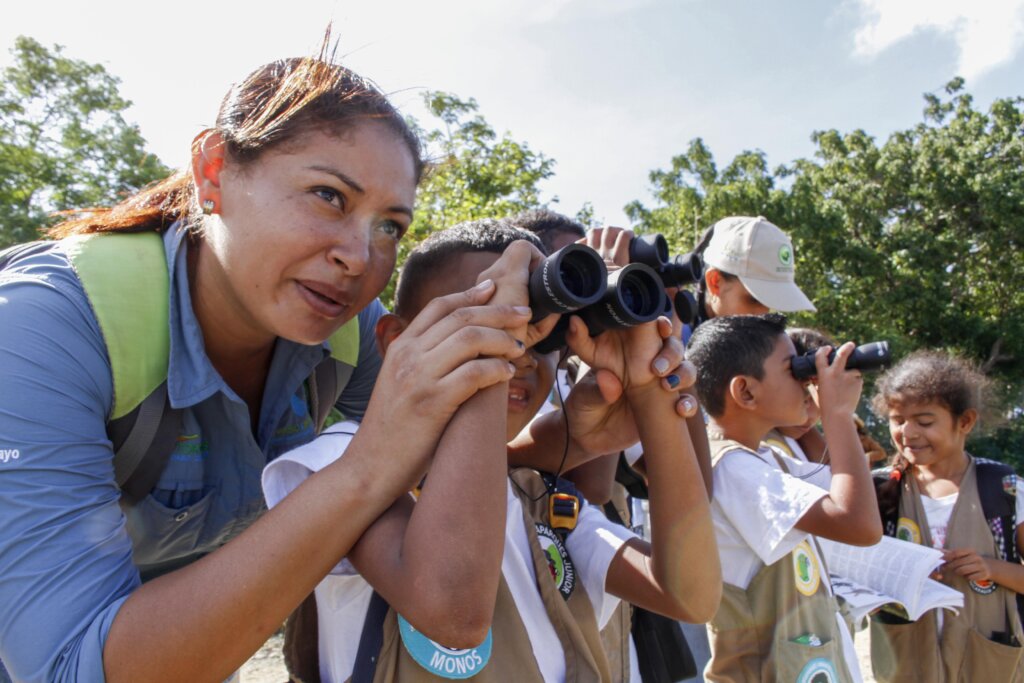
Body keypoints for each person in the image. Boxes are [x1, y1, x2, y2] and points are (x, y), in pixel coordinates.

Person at [0, 47, 562, 682]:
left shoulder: (350, 334)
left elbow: (450, 591)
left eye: (389, 227)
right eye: (328, 195)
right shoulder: (42, 326)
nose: (359, 256)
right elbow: (63, 667)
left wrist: (522, 356)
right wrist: (368, 465)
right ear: (213, 171)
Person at [262, 219, 721, 682]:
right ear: (396, 341)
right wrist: (491, 353)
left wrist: (651, 393)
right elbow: (454, 611)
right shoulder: (343, 464)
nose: (519, 351)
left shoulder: (535, 495)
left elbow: (689, 595)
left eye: (540, 330)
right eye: (480, 318)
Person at [686, 314, 881, 682]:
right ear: (745, 391)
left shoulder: (765, 459)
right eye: (794, 371)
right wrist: (838, 414)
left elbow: (850, 490)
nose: (807, 382)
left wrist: (829, 411)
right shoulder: (732, 470)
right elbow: (860, 524)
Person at [870, 351, 1024, 681]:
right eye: (897, 420)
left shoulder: (1005, 489)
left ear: (965, 421)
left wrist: (991, 568)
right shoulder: (880, 491)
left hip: (987, 661)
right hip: (905, 661)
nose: (908, 433)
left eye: (925, 422)